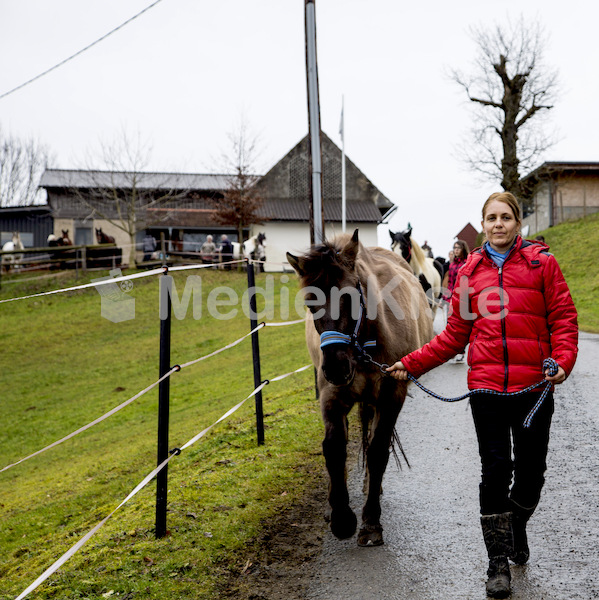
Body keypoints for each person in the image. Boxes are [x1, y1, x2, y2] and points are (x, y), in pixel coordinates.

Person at [386, 191, 578, 598]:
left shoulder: (543, 264)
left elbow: (563, 318)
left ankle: (516, 524)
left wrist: (562, 360)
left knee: (531, 477)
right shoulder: (470, 271)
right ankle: (497, 563)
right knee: (495, 472)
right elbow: (456, 334)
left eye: (506, 217)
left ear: (518, 222)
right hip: (487, 390)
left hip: (534, 389)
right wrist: (413, 363)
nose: (498, 224)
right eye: (491, 217)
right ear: (483, 223)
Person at [444, 239, 470, 361]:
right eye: (454, 248)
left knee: (461, 326)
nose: (456, 250)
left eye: (458, 248)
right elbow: (450, 283)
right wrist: (446, 297)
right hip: (452, 298)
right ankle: (454, 350)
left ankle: (462, 351)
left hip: (463, 298)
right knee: (451, 325)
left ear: (463, 249)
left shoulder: (467, 263)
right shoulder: (452, 264)